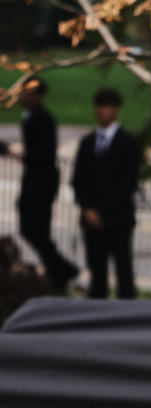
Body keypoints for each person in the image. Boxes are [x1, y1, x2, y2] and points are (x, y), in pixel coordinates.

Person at [73, 88, 140, 299]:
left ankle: (127, 316)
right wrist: (87, 208)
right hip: (91, 219)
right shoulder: (87, 143)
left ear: (116, 109)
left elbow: (128, 183)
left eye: (108, 106)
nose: (103, 111)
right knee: (96, 272)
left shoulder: (129, 143)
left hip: (118, 218)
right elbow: (78, 180)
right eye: (99, 106)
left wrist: (100, 210)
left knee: (123, 270)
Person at [17, 75, 78, 292]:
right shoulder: (31, 116)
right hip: (34, 181)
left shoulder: (42, 118)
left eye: (29, 92)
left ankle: (61, 271)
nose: (23, 96)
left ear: (39, 96)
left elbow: (45, 151)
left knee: (36, 229)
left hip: (40, 184)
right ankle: (60, 269)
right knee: (31, 229)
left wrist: (21, 154)